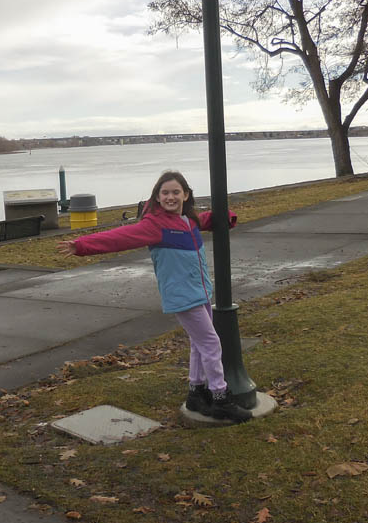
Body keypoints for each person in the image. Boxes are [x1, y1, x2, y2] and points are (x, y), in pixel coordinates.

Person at [56, 170, 252, 424]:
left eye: (175, 192)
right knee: (211, 343)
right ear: (157, 198)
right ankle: (220, 397)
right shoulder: (154, 226)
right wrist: (81, 245)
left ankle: (197, 392)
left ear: (186, 195)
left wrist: (226, 216)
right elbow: (118, 238)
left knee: (199, 344)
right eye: (165, 193)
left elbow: (204, 219)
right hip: (182, 296)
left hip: (201, 291)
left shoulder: (188, 221)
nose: (170, 197)